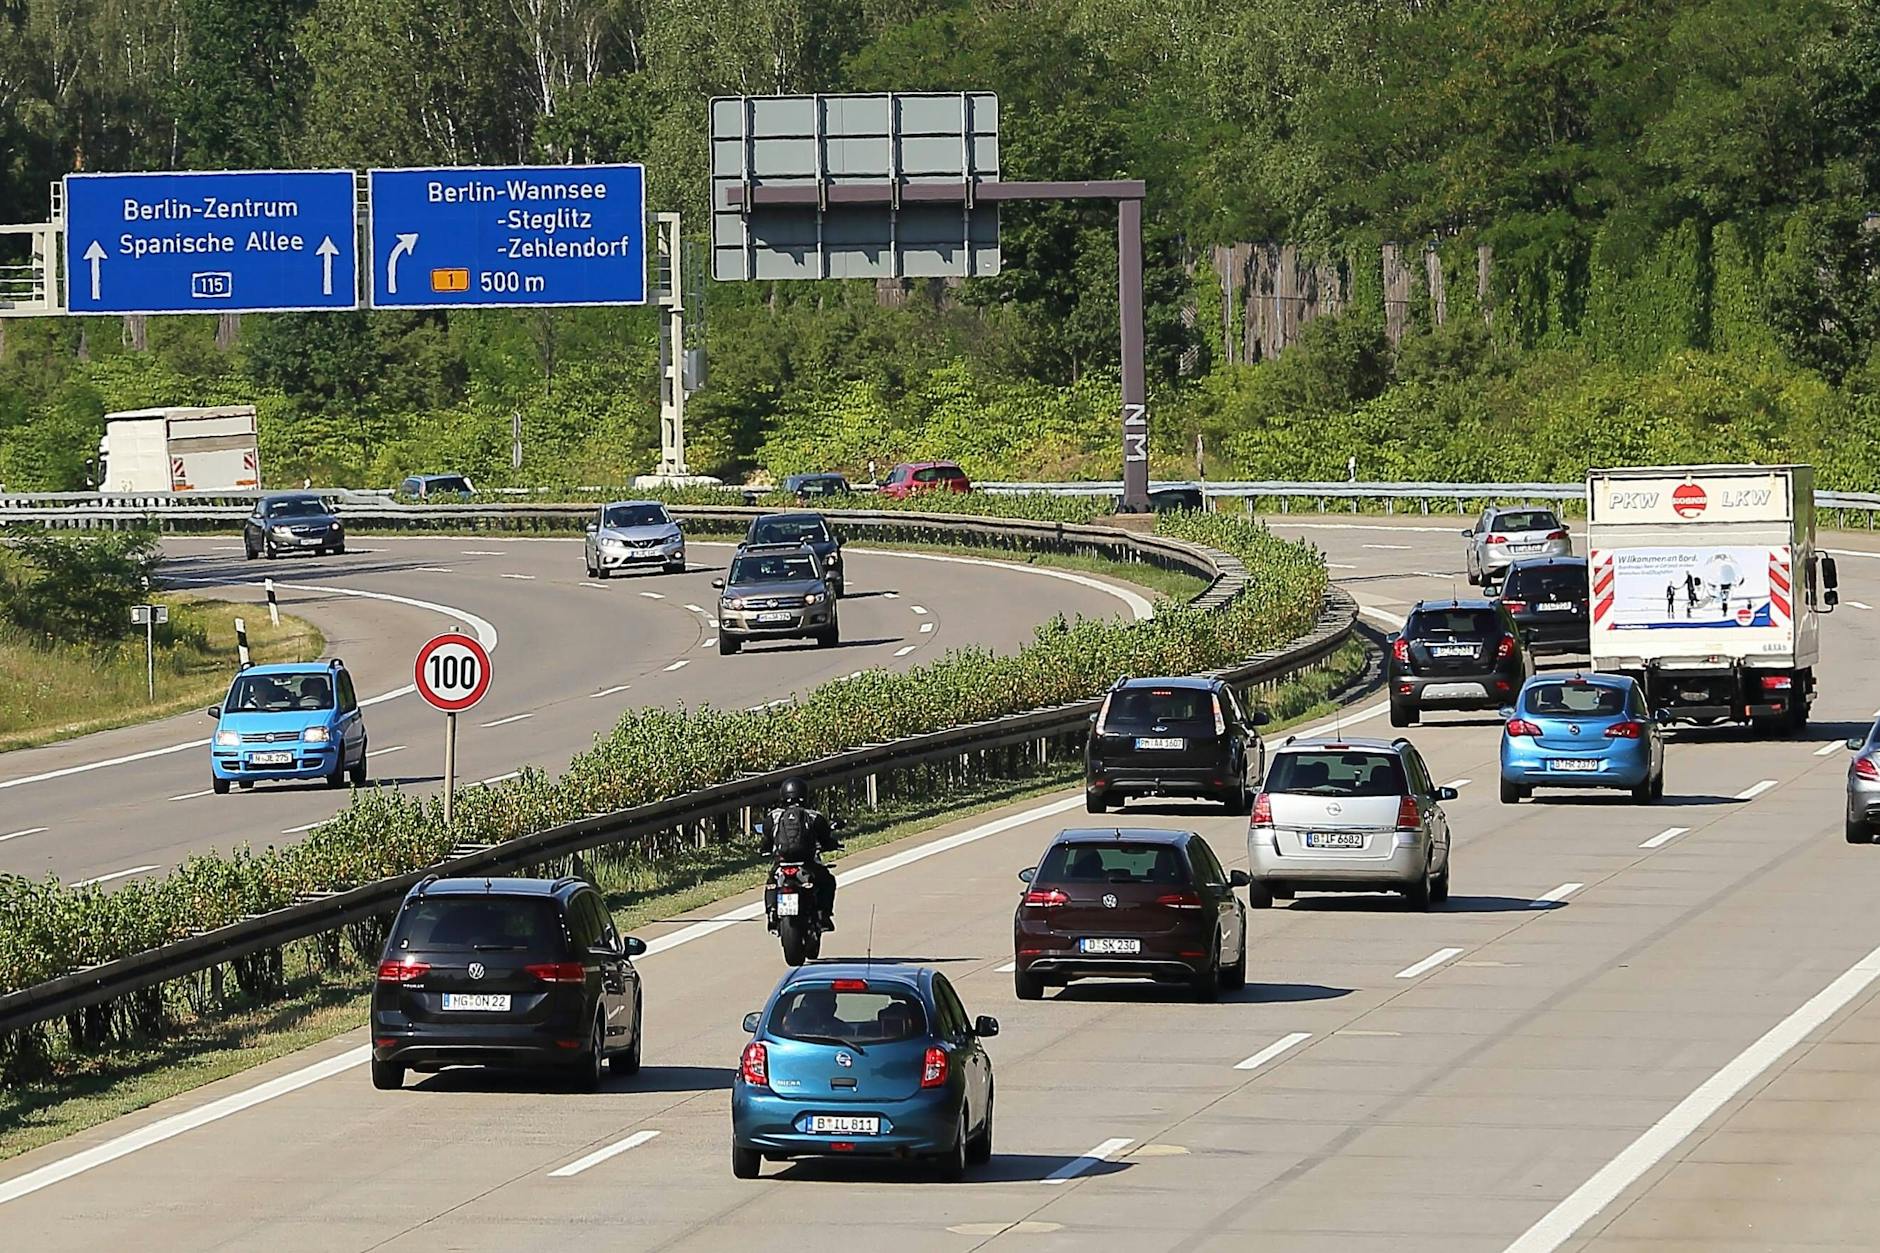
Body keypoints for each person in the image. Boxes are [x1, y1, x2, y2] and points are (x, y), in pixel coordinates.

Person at [760, 777, 840, 929]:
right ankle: (824, 915)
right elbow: (826, 838)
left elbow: (767, 838)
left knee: (771, 883)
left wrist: (764, 850)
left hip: (781, 862)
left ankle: (771, 911)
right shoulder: (813, 816)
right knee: (828, 881)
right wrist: (832, 845)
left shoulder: (774, 816)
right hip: (807, 862)